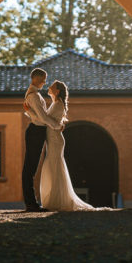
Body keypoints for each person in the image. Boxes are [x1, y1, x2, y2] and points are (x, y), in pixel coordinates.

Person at [37, 80, 95, 211]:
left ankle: (57, 200)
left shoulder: (58, 104)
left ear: (57, 91)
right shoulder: (55, 103)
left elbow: (48, 121)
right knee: (53, 167)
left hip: (55, 140)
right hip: (52, 139)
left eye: (51, 86)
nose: (49, 87)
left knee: (55, 167)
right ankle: (55, 199)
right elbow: (50, 120)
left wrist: (32, 112)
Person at [21, 68, 62, 212]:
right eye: (44, 79)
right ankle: (31, 204)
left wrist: (29, 112)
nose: (45, 82)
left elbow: (38, 116)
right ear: (37, 79)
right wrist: (58, 126)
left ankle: (31, 203)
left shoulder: (34, 95)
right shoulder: (34, 96)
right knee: (30, 168)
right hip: (35, 132)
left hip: (37, 131)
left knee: (31, 167)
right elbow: (43, 118)